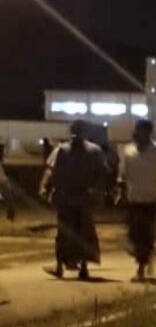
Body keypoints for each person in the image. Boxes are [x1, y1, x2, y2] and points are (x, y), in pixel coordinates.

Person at [39, 120, 105, 280]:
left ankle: (81, 266)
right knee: (66, 232)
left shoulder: (93, 151)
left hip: (80, 196)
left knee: (82, 232)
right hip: (67, 196)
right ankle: (62, 265)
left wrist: (98, 193)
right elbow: (50, 170)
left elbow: (101, 174)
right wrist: (43, 187)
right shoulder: (62, 150)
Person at [118, 119, 156, 282]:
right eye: (137, 130)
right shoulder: (128, 151)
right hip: (132, 199)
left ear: (148, 133)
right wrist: (120, 191)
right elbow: (122, 174)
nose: (138, 133)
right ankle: (147, 256)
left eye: (142, 131)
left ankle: (141, 268)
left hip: (150, 201)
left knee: (145, 235)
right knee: (133, 235)